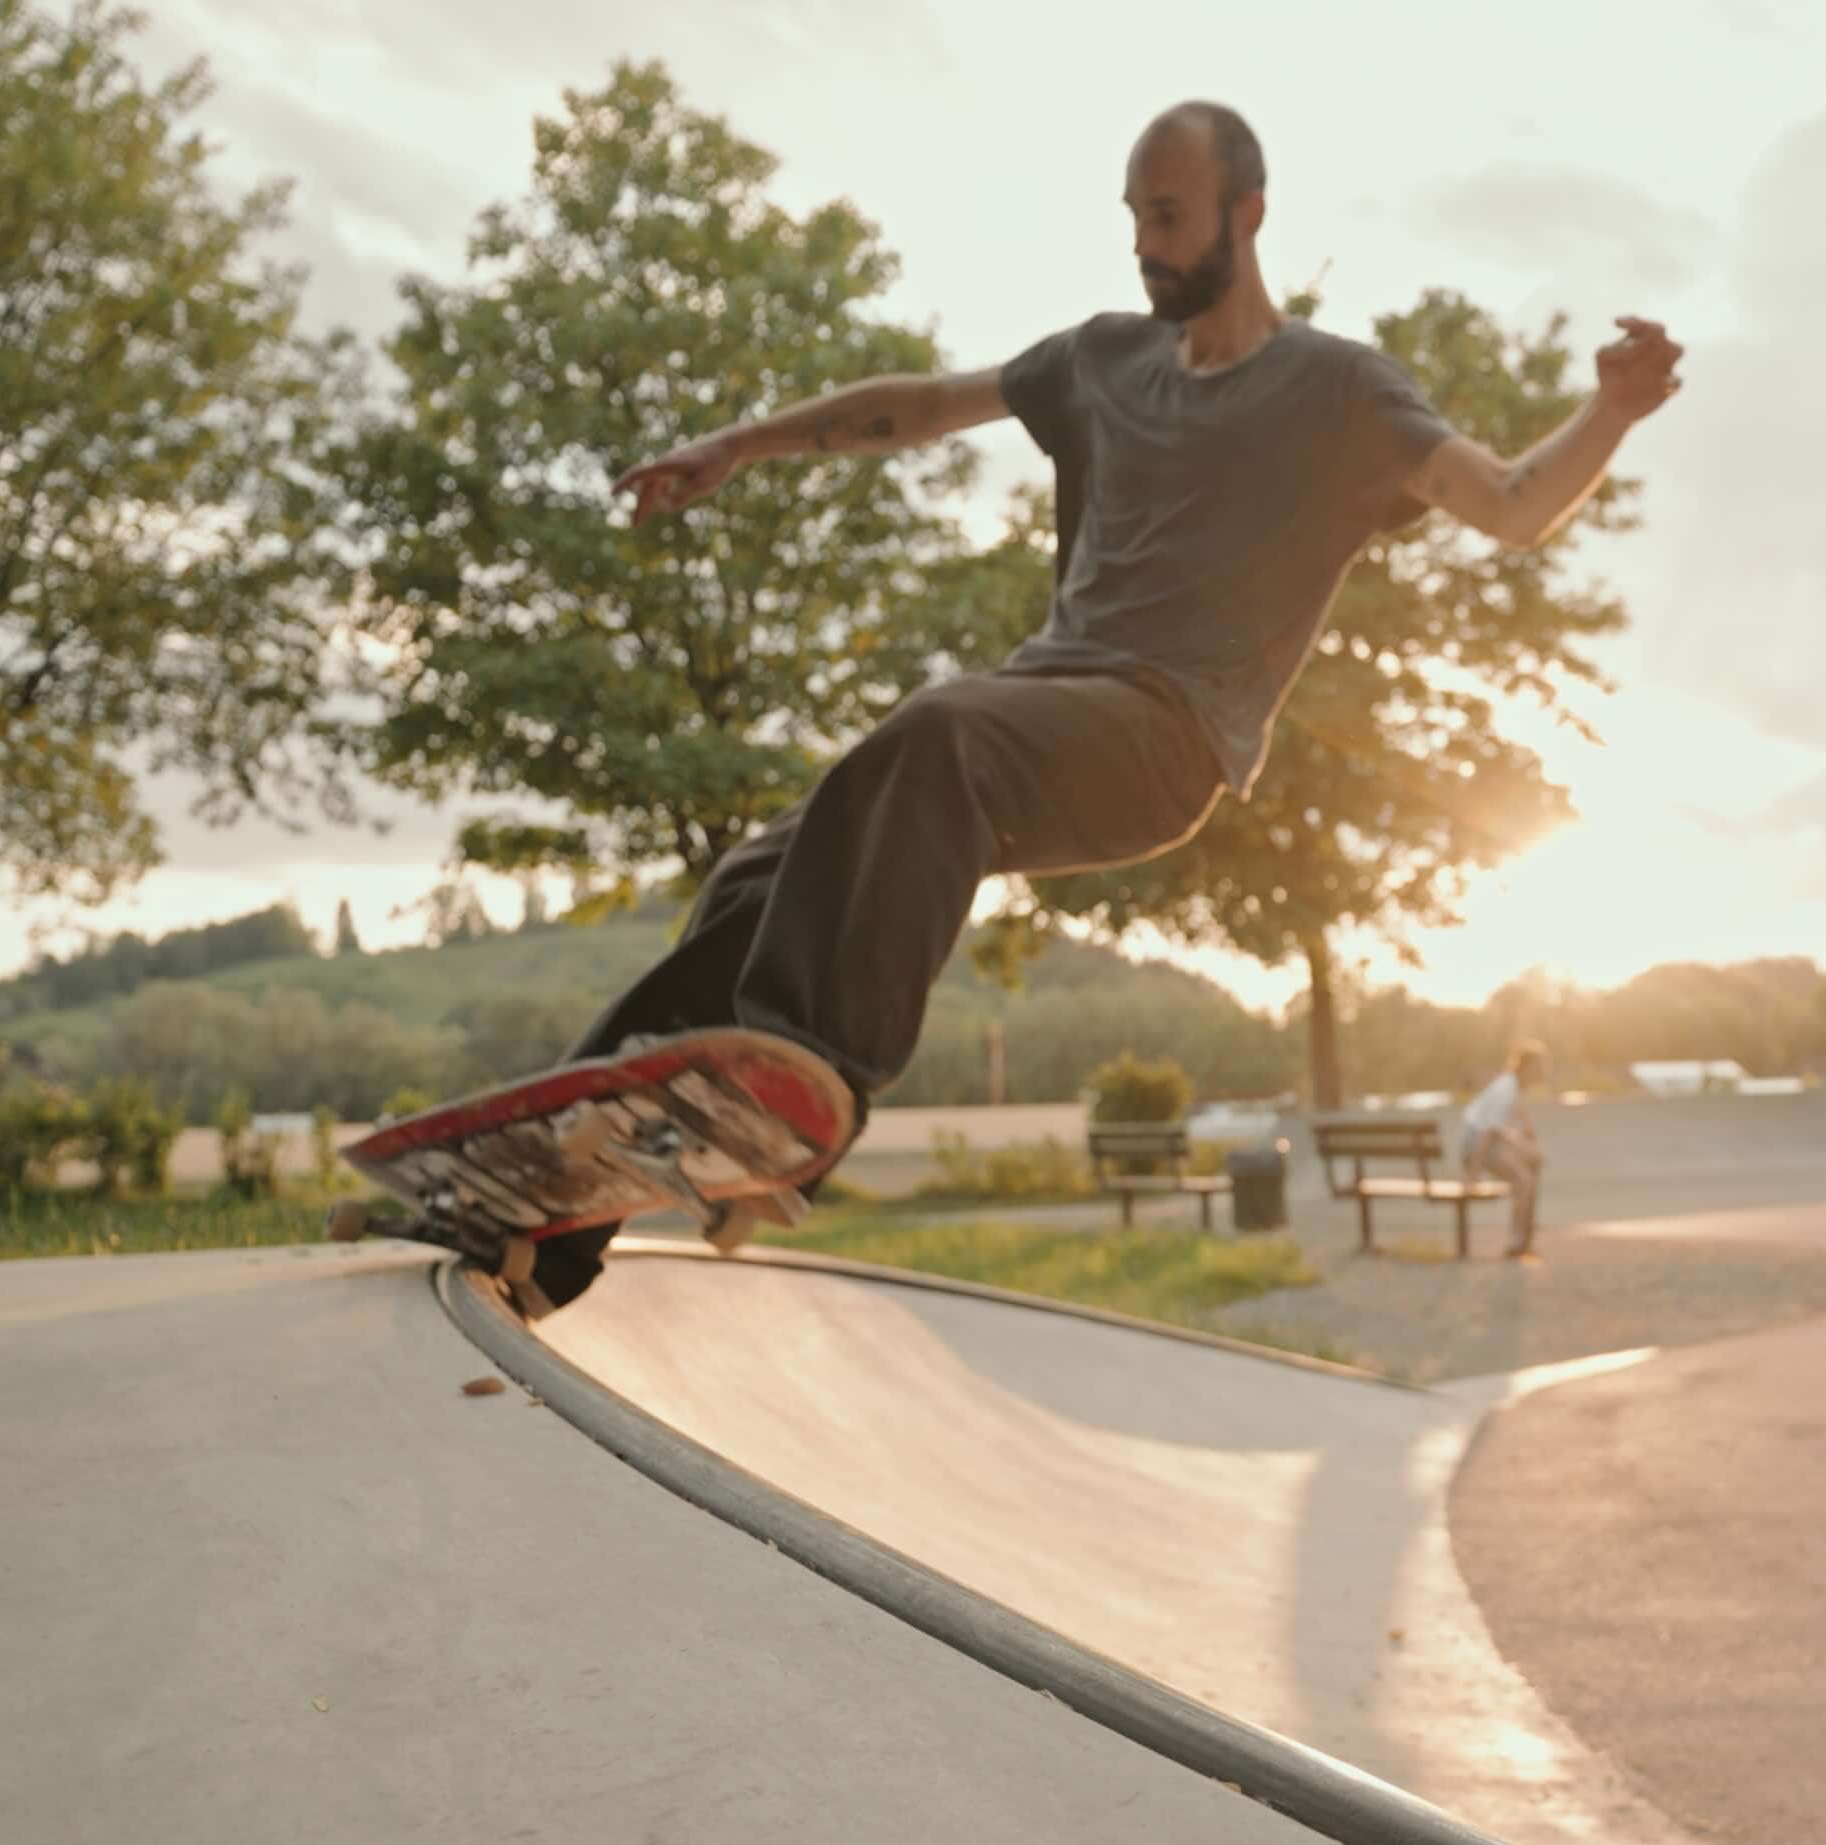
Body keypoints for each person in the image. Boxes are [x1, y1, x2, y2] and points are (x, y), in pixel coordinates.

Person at [531, 102, 1683, 1310]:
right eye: (1136, 218)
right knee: (767, 875)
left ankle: (795, 1098)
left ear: (1248, 215)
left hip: (1167, 738)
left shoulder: (1334, 391)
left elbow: (1506, 504)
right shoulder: (1101, 359)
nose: (1147, 245)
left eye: (1171, 219)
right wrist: (741, 445)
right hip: (1044, 707)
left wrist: (1610, 410)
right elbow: (927, 403)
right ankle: (559, 1189)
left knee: (937, 735)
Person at [1457, 1040, 1550, 1260]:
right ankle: (1516, 1241)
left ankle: (1524, 1234)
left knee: (1534, 1162)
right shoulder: (1506, 1088)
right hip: (1475, 1145)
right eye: (1540, 1066)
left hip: (1487, 1141)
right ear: (1527, 1067)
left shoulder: (1512, 1085)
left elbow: (1521, 1125)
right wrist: (1473, 1173)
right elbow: (1487, 1133)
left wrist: (1530, 1146)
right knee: (1524, 1181)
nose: (1544, 1071)